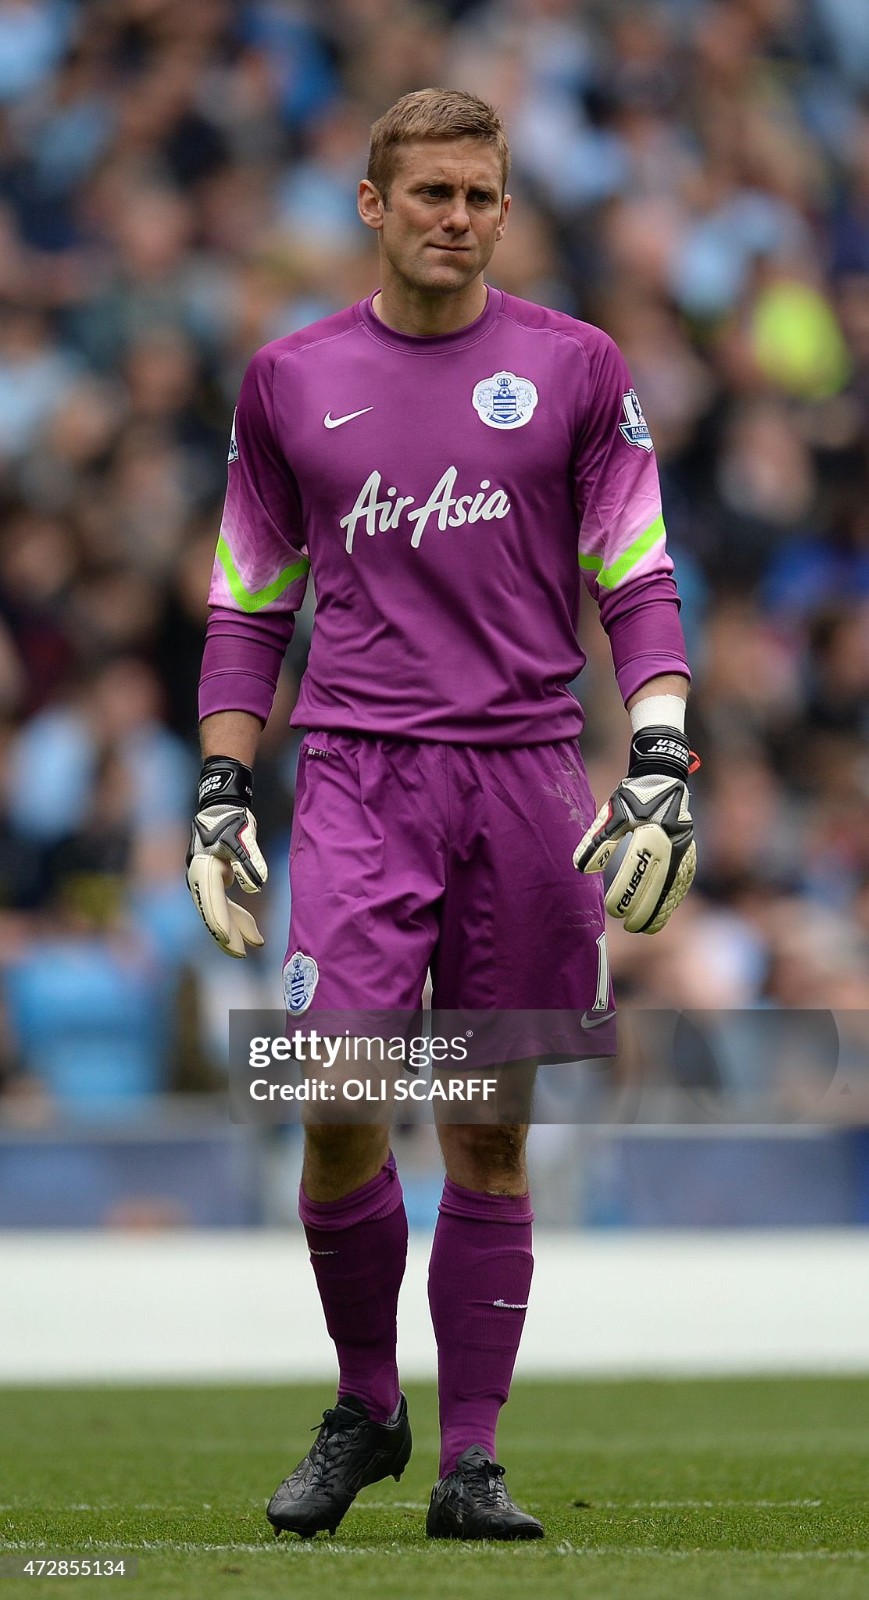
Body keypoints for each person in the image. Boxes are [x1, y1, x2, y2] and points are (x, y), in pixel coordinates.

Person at [186, 88, 696, 1542]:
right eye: (429, 194)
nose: (456, 218)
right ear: (370, 204)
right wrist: (224, 788)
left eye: (479, 195)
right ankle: (369, 1405)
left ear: (502, 210)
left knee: (487, 1130)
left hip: (529, 778)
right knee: (334, 1105)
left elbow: (639, 577)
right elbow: (247, 606)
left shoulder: (577, 369)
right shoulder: (286, 383)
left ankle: (470, 1459)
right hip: (354, 774)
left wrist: (655, 749)